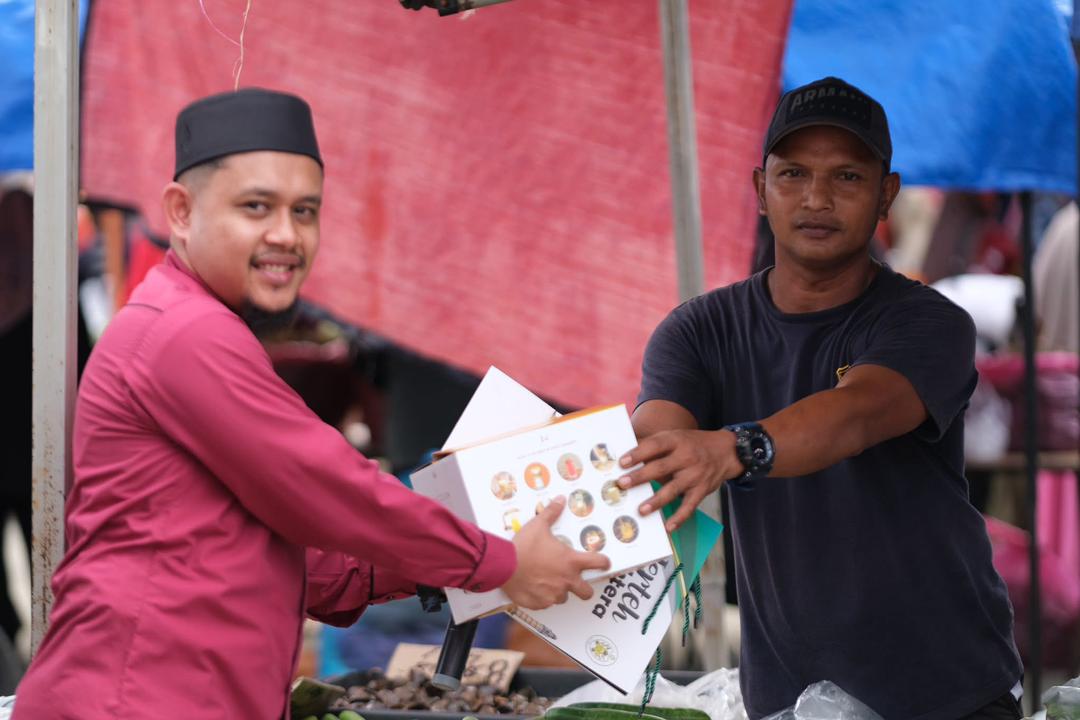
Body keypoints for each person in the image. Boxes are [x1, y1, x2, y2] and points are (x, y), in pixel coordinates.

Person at [13, 88, 608, 719]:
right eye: (255, 207)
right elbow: (330, 488)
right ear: (181, 212)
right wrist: (498, 561)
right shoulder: (185, 332)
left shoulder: (194, 324)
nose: (285, 235)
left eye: (305, 211)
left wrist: (447, 566)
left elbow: (302, 559)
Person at [618, 77, 1023, 720]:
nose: (817, 198)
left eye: (848, 178)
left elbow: (856, 413)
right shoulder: (698, 329)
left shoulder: (929, 323)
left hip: (945, 689)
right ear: (760, 190)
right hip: (786, 694)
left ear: (887, 195)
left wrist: (732, 448)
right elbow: (660, 445)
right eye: (794, 174)